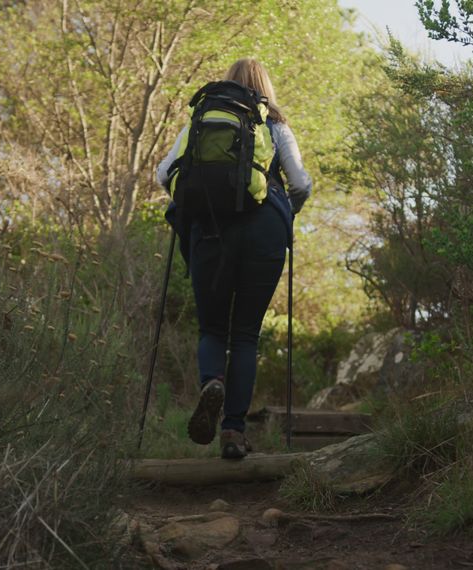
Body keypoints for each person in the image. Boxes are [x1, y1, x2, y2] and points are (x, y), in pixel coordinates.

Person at [155, 58, 312, 459]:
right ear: (265, 88)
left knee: (212, 330)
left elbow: (163, 174)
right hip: (265, 233)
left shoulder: (202, 119)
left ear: (228, 84)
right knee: (245, 334)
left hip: (209, 228)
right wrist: (284, 208)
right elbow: (301, 182)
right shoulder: (275, 124)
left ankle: (213, 382)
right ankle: (233, 432)